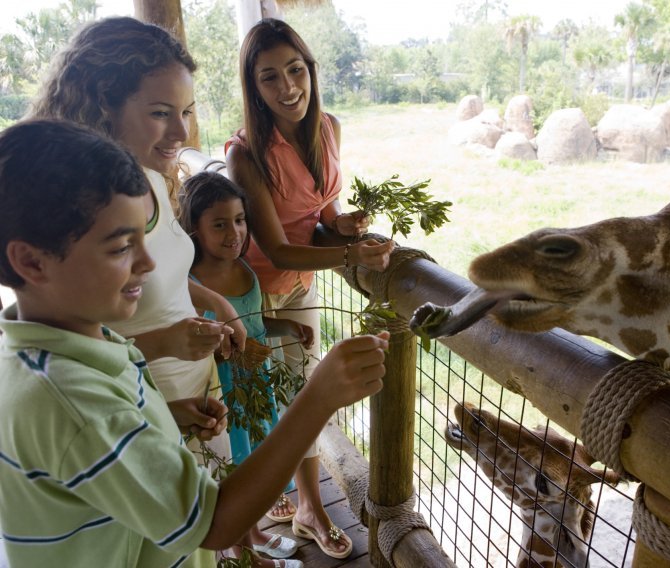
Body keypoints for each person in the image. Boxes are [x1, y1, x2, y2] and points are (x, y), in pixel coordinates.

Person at [0, 119, 387, 568]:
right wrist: (318, 397)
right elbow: (214, 522)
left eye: (143, 239)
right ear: (31, 261)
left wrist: (164, 416)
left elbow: (105, 431)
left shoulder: (58, 346)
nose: (147, 263)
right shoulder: (75, 407)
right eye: (120, 247)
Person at [26, 16, 291, 564]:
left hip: (178, 394)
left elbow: (166, 272)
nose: (182, 134)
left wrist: (213, 302)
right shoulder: (91, 211)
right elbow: (76, 352)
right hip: (138, 400)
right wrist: (167, 350)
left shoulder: (145, 178)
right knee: (178, 530)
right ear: (102, 105)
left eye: (187, 112)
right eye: (159, 113)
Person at [226, 18, 393, 559]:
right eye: (270, 78)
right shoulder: (245, 154)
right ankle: (283, 513)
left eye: (295, 70)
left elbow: (320, 212)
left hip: (303, 281)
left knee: (301, 391)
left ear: (310, 70)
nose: (288, 87)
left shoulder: (329, 128)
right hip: (256, 291)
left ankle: (302, 506)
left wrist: (340, 226)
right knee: (269, 399)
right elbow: (275, 248)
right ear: (255, 88)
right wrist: (348, 254)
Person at [179, 170, 315, 560]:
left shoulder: (244, 271)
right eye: (219, 224)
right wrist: (229, 351)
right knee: (235, 468)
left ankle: (252, 533)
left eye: (239, 221)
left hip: (256, 389)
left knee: (255, 462)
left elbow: (252, 324)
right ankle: (242, 554)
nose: (233, 232)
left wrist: (287, 325)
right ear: (194, 229)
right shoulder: (190, 282)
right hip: (223, 393)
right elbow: (196, 342)